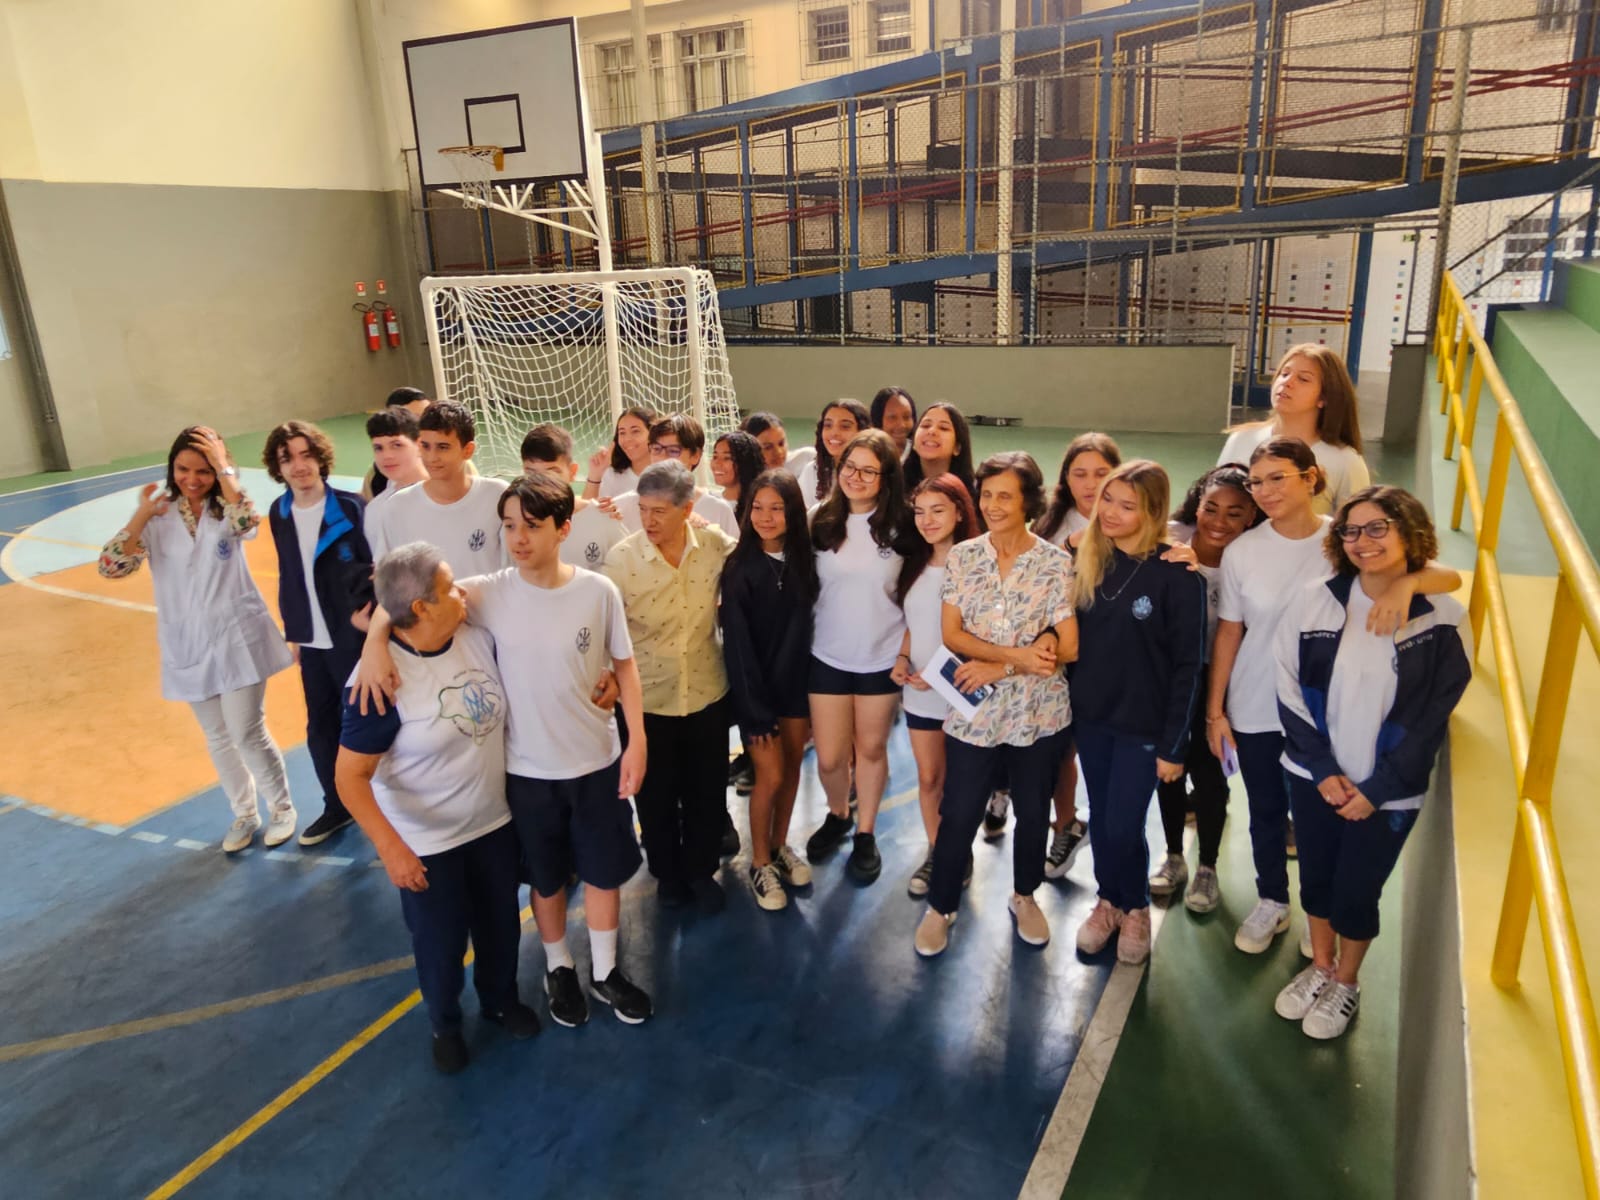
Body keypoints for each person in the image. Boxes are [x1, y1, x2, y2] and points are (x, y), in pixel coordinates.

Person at [1207, 438, 1459, 956]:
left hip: (1326, 712)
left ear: (1311, 478)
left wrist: (1407, 586)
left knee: (1320, 815)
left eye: (1278, 477)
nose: (1265, 491)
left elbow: (1446, 576)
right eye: (1257, 482)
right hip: (1258, 702)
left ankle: (1316, 914)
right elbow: (1230, 630)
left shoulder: (1346, 538)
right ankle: (1273, 899)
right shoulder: (1243, 551)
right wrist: (1216, 711)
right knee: (1266, 811)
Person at [1272, 487, 1471, 1038]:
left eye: (1378, 527)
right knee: (1316, 878)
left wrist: (1378, 789)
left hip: (1389, 791)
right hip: (1314, 778)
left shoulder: (1444, 618)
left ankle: (1346, 981)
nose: (1363, 541)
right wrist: (1321, 769)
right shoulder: (1314, 600)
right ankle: (1319, 966)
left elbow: (1432, 717)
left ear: (1410, 531)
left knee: (1358, 891)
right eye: (1351, 531)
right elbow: (1288, 688)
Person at [335, 544, 540, 1073]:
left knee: (500, 926)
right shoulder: (378, 683)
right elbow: (349, 778)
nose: (462, 591)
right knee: (441, 943)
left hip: (492, 823)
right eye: (450, 587)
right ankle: (444, 1023)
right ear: (421, 608)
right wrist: (392, 849)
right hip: (427, 843)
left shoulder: (474, 637)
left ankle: (500, 1000)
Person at [98, 426, 297, 852]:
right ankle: (244, 814)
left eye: (204, 471)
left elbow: (247, 524)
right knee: (218, 737)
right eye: (183, 469)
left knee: (246, 730)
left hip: (239, 637)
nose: (192, 479)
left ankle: (282, 808)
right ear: (171, 468)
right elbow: (111, 567)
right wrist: (140, 517)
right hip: (187, 642)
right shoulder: (158, 515)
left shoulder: (229, 507)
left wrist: (225, 469)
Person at [913, 453, 1078, 957]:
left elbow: (1069, 647)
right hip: (976, 714)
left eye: (1005, 495)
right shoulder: (964, 557)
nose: (993, 505)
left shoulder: (1055, 563)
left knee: (1033, 810)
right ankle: (941, 906)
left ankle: (1025, 896)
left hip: (1038, 714)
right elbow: (952, 633)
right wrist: (1021, 656)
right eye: (986, 495)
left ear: (1029, 502)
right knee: (960, 810)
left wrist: (1001, 668)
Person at [1067, 461, 1207, 965]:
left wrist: (1174, 745)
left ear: (1153, 513)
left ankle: (1135, 907)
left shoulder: (1179, 575)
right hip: (1092, 720)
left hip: (1143, 727)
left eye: (1127, 506)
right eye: (1107, 499)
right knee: (1103, 819)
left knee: (1124, 824)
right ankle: (1110, 901)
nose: (1110, 512)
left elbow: (1189, 666)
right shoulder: (1087, 558)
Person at [603, 461, 738, 913]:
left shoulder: (714, 546)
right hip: (648, 700)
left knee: (707, 790)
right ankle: (666, 873)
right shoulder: (622, 560)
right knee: (655, 796)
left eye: (660, 511)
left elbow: (754, 563)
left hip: (706, 691)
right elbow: (606, 628)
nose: (649, 520)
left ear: (688, 507)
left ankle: (700, 871)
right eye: (643, 509)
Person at [1147, 464, 1259, 913]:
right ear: (1197, 505)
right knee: (1169, 766)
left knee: (1211, 775)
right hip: (1172, 677)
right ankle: (1174, 855)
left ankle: (1207, 866)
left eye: (1235, 512)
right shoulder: (1169, 540)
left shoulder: (1252, 556)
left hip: (1224, 679)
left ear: (1252, 516)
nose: (1219, 521)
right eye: (1211, 508)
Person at [805, 430, 911, 882]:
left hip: (880, 658)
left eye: (869, 471)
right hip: (826, 655)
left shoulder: (904, 528)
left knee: (870, 749)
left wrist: (906, 652)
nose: (856, 477)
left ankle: (865, 832)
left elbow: (919, 593)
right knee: (830, 758)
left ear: (887, 478)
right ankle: (838, 812)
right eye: (850, 467)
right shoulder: (818, 520)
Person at [263, 420, 374, 847]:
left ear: (321, 458)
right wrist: (295, 631)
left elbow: (373, 568)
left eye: (306, 455)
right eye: (287, 458)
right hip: (312, 642)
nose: (299, 465)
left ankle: (390, 804)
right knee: (321, 727)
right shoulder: (280, 512)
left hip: (354, 639)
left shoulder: (350, 508)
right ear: (277, 467)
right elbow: (290, 575)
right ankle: (337, 805)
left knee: (369, 722)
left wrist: (373, 629)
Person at [720, 470, 819, 910]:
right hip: (756, 696)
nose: (765, 516)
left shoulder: (804, 561)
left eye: (776, 508)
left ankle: (779, 847)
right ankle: (759, 862)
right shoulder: (740, 568)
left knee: (792, 770)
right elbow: (738, 649)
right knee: (770, 776)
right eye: (757, 508)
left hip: (795, 689)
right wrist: (754, 711)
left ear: (793, 512)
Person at [892, 473, 981, 898]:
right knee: (929, 778)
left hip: (961, 692)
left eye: (938, 510)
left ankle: (959, 850)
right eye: (920, 512)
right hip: (919, 693)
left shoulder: (978, 566)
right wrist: (903, 658)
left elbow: (982, 635)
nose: (927, 520)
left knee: (961, 785)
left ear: (960, 512)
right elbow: (915, 623)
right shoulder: (914, 564)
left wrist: (939, 674)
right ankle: (938, 850)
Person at [1219, 344, 1370, 516]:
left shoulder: (1345, 461)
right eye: (1284, 374)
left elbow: (1357, 525)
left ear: (1324, 397)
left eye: (1303, 379)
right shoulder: (1241, 439)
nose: (1287, 382)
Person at [365, 401, 507, 577]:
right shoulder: (396, 507)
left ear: (468, 450)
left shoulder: (497, 496)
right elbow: (387, 577)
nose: (432, 457)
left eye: (443, 447)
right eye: (426, 446)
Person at [604, 414, 739, 538]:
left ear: (695, 456)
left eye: (673, 451)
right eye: (656, 449)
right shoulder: (621, 508)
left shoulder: (718, 509)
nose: (663, 458)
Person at [520, 423, 627, 571]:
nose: (541, 482)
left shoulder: (603, 517)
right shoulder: (514, 521)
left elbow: (631, 572)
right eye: (531, 473)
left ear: (572, 471)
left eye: (552, 472)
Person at [1036, 432, 1122, 549]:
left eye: (1101, 474)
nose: (1091, 485)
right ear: (1067, 478)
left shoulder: (1136, 524)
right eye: (1080, 475)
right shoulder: (1049, 529)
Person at [362, 407, 428, 535]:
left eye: (397, 445)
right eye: (378, 448)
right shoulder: (376, 509)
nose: (387, 456)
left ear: (420, 445)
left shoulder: (446, 496)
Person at [362, 387, 432, 501]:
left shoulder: (453, 469)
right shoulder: (376, 479)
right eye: (414, 419)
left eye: (427, 418)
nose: (425, 425)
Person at [796, 399, 870, 504]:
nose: (834, 433)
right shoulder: (812, 471)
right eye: (828, 425)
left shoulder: (874, 472)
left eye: (845, 426)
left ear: (862, 431)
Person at [901, 401, 977, 501]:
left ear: (957, 447)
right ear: (914, 443)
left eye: (943, 428)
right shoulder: (894, 486)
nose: (931, 431)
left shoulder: (975, 495)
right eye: (925, 425)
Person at [583, 405, 657, 501]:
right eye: (622, 433)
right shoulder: (610, 475)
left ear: (653, 434)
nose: (627, 439)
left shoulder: (668, 475)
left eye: (635, 431)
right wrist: (595, 475)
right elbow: (586, 508)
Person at [710, 429, 765, 526]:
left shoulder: (758, 505)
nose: (717, 463)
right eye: (715, 457)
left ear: (744, 462)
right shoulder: (709, 500)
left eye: (727, 458)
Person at [742, 411, 808, 475]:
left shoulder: (805, 460)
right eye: (768, 447)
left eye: (781, 444)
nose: (778, 452)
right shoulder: (742, 477)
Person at [870, 386, 918, 460]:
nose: (902, 425)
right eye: (892, 417)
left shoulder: (920, 455)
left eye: (906, 417)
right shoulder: (868, 454)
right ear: (878, 419)